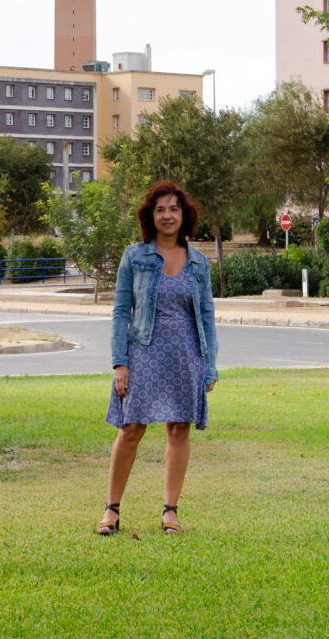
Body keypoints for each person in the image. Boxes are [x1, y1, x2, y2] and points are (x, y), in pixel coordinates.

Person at [97, 181, 219, 536]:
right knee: (131, 428)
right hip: (143, 352)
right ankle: (111, 510)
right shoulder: (135, 257)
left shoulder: (198, 263)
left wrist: (210, 364)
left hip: (186, 355)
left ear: (184, 215)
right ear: (151, 216)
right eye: (160, 209)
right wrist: (120, 362)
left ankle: (170, 512)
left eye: (174, 209)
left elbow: (207, 315)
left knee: (179, 429)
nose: (168, 215)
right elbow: (121, 311)